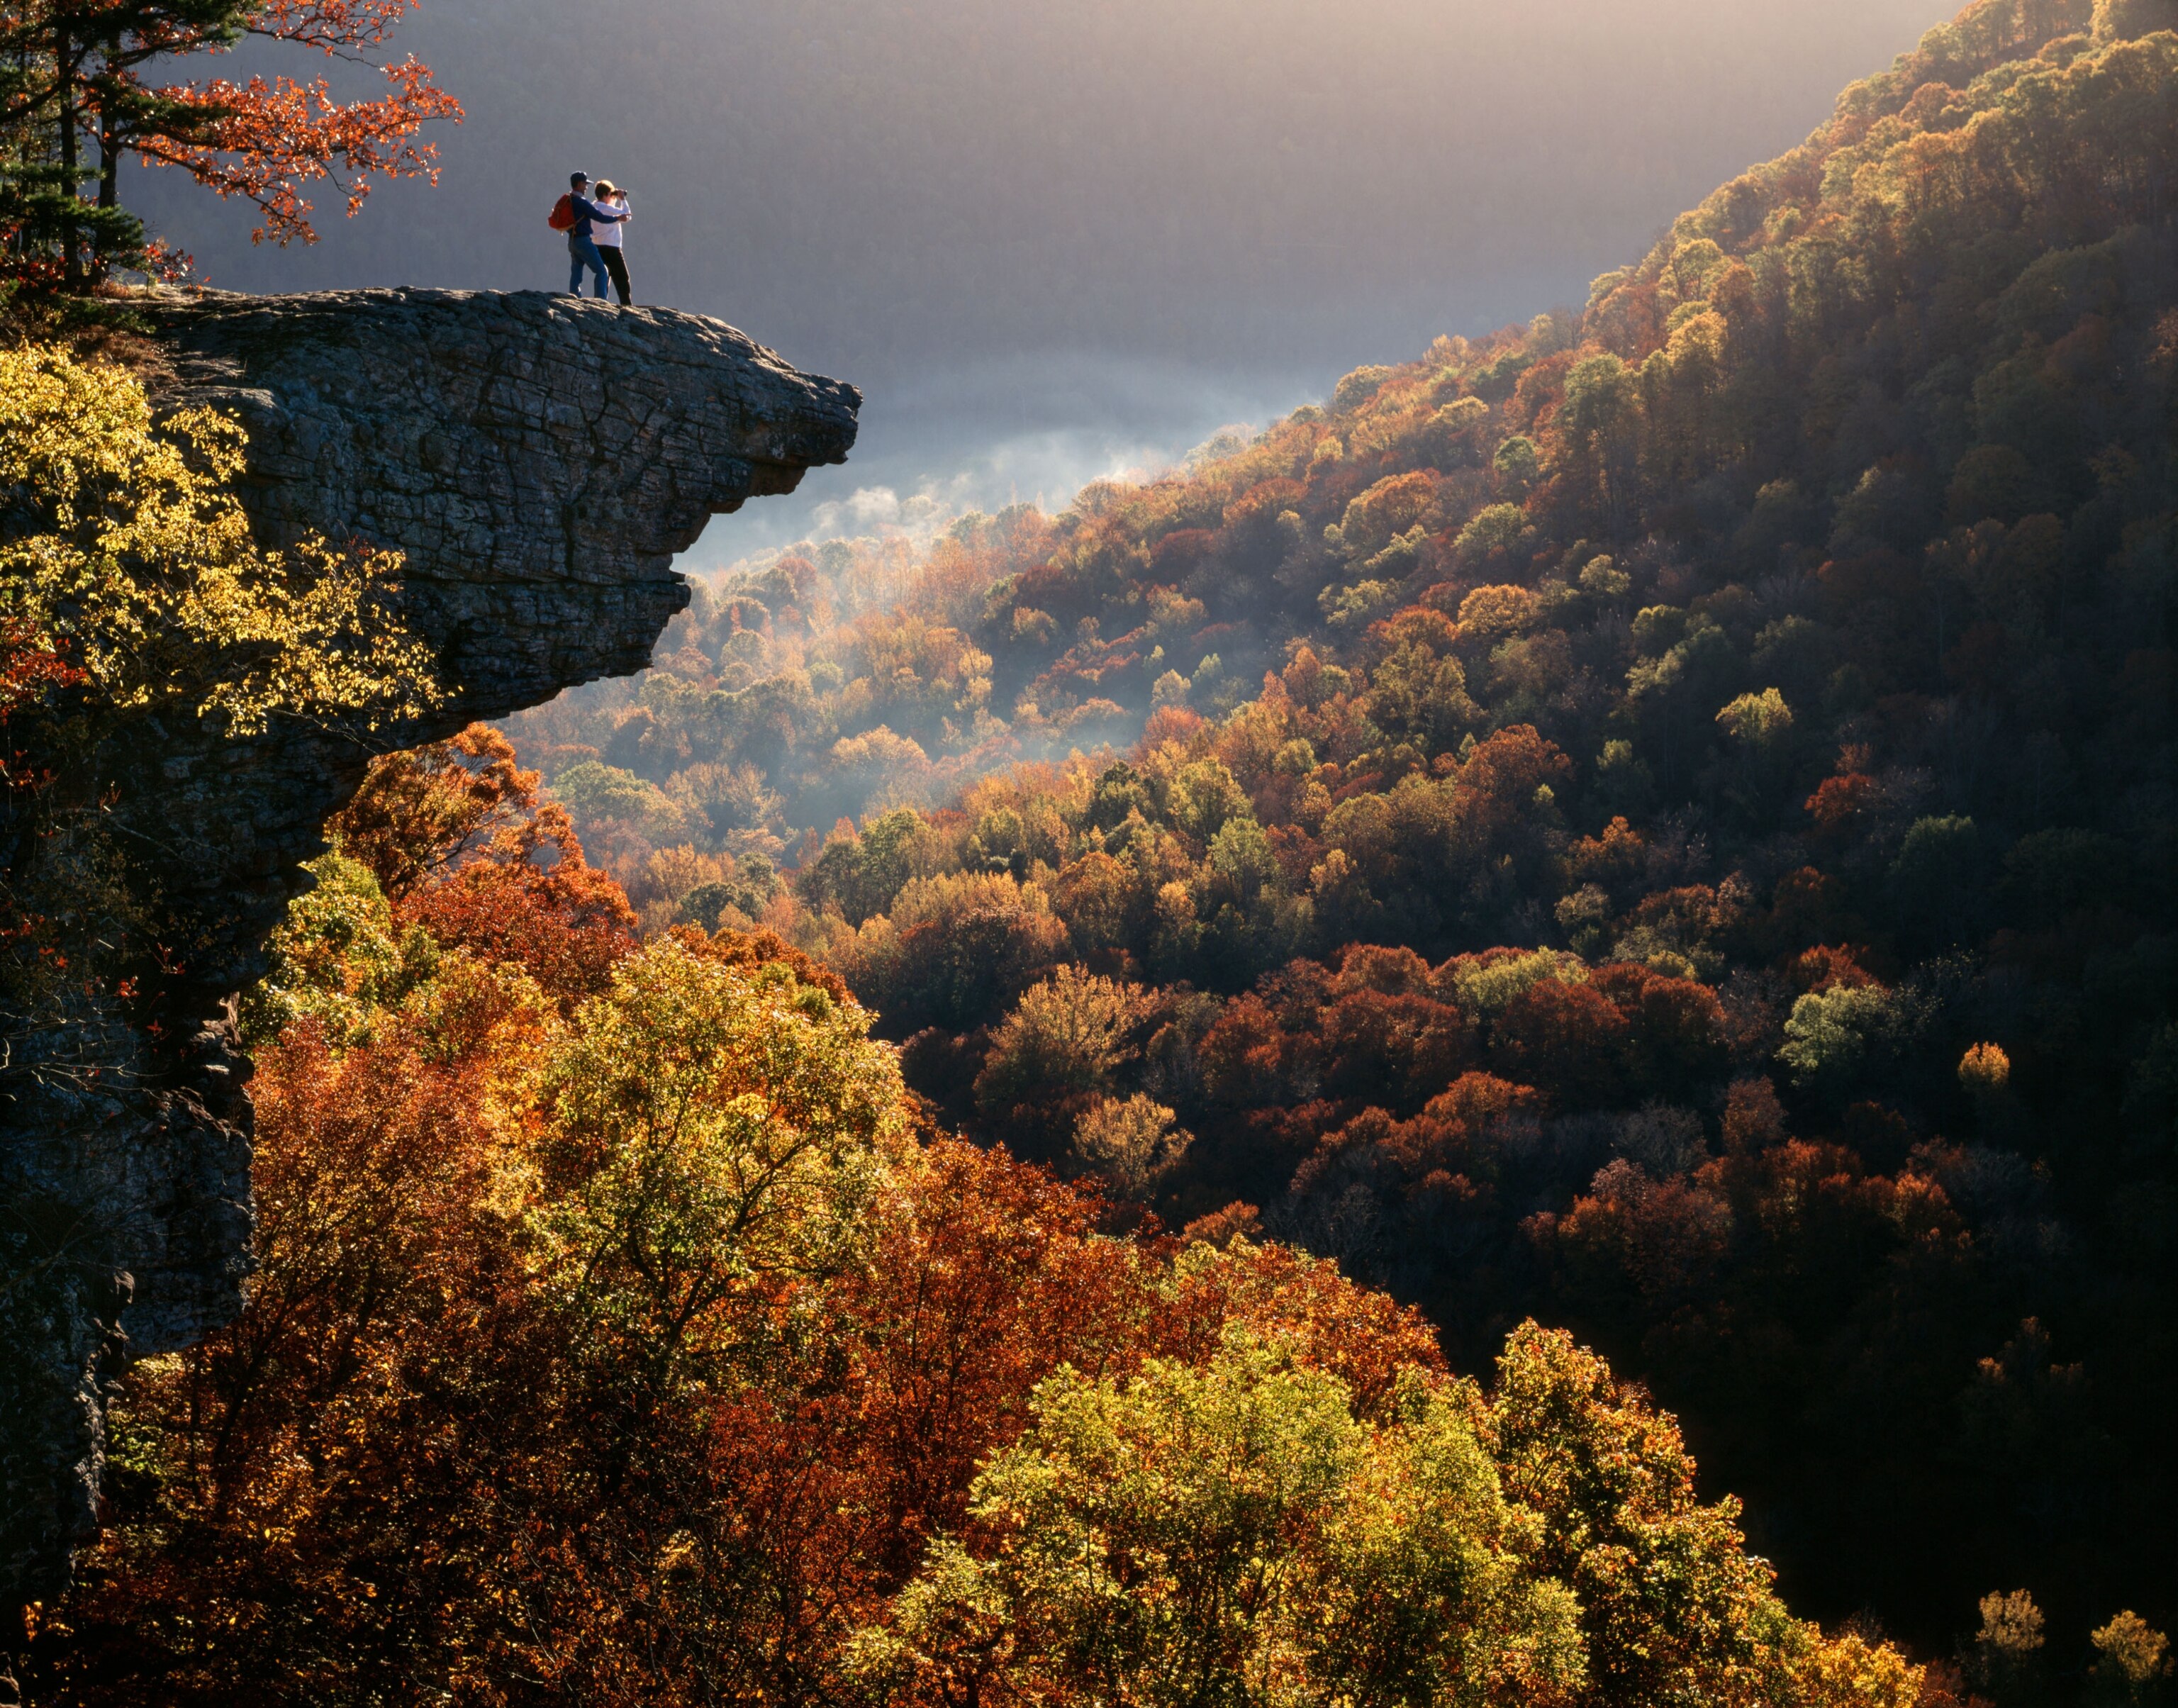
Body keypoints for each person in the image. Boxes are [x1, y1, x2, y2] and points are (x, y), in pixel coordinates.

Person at [562, 171, 625, 298]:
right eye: (585, 184)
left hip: (572, 241)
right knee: (602, 271)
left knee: (576, 272)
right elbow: (599, 217)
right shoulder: (582, 202)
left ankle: (574, 298)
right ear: (579, 184)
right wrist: (617, 218)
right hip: (583, 241)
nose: (586, 187)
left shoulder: (568, 200)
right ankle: (601, 302)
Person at [593, 179, 634, 306]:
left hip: (597, 247)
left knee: (604, 276)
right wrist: (622, 199)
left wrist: (613, 198)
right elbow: (627, 216)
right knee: (622, 278)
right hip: (612, 249)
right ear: (606, 195)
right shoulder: (606, 208)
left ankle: (600, 302)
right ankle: (626, 305)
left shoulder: (593, 206)